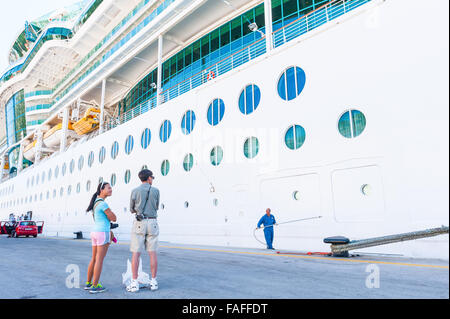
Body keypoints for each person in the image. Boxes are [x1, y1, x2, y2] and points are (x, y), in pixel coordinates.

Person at [127, 169, 160, 293]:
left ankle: (134, 283)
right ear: (149, 178)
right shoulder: (156, 191)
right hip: (152, 222)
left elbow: (131, 209)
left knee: (136, 253)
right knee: (152, 253)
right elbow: (156, 207)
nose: (153, 179)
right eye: (152, 177)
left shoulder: (134, 191)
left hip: (139, 222)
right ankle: (154, 282)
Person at [85, 182, 117, 294]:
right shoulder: (103, 204)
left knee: (94, 258)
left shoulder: (95, 202)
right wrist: (112, 214)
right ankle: (95, 286)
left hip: (95, 232)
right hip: (102, 232)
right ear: (101, 190)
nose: (111, 189)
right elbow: (114, 218)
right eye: (108, 188)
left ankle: (88, 283)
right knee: (99, 260)